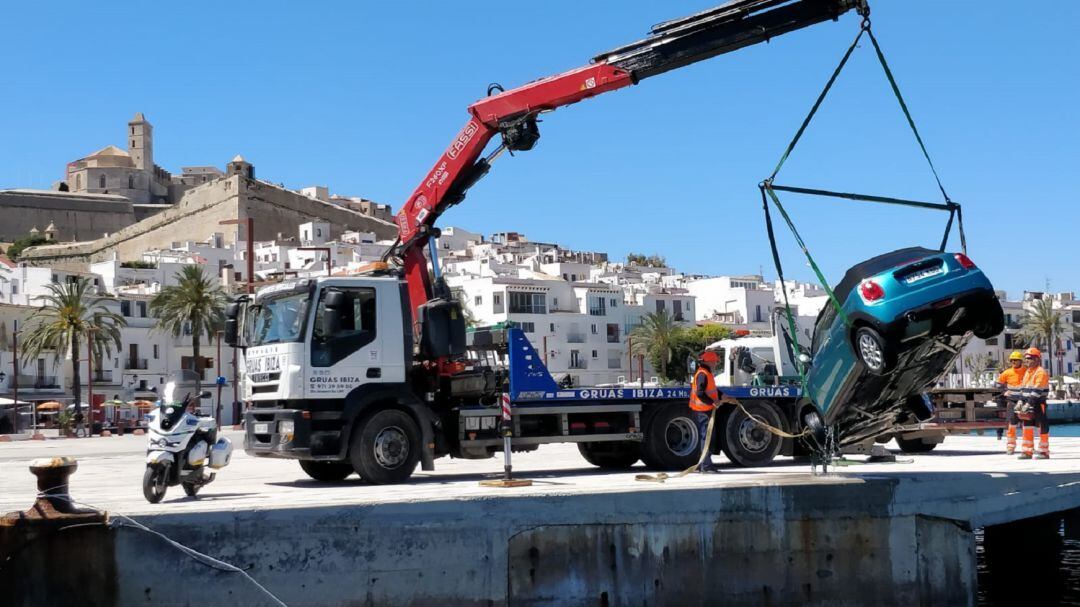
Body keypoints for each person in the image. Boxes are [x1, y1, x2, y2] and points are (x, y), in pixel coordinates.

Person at [688, 350, 738, 472]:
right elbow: (700, 393)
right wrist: (713, 402)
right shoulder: (703, 374)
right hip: (703, 411)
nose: (716, 364)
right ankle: (706, 466)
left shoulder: (705, 373)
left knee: (706, 437)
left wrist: (723, 396)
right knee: (707, 438)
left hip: (705, 410)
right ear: (709, 362)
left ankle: (702, 465)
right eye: (715, 362)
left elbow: (712, 390)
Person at [1017, 347, 1050, 460]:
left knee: (1042, 426)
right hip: (1028, 403)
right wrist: (1021, 400)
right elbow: (1023, 387)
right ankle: (1027, 451)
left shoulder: (1040, 372)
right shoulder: (1028, 372)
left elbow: (1037, 390)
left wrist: (1028, 403)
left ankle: (1044, 451)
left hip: (1038, 403)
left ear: (1036, 359)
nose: (1027, 361)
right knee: (1027, 427)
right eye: (1026, 359)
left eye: (1029, 358)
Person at [996, 350, 1026, 455]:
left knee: (1026, 424)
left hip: (1024, 401)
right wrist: (1004, 392)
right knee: (1011, 424)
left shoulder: (1027, 371)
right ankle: (1010, 446)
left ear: (1020, 361)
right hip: (1012, 401)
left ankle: (1027, 447)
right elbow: (998, 385)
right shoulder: (1007, 373)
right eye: (1012, 360)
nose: (1013, 362)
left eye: (1015, 360)